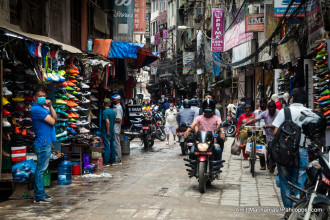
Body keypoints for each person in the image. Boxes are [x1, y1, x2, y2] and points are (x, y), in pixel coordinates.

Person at [272, 88, 310, 217]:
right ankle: (298, 214)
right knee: (299, 183)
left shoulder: (284, 111)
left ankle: (289, 213)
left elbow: (276, 133)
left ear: (292, 98)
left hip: (285, 153)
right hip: (303, 152)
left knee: (285, 182)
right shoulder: (310, 113)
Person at [31, 88, 57, 203]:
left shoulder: (42, 108)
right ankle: (39, 195)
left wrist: (50, 106)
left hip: (45, 143)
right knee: (40, 170)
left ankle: (41, 194)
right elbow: (52, 122)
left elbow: (55, 117)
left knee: (41, 169)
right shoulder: (36, 109)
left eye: (44, 95)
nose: (42, 97)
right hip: (42, 143)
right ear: (35, 98)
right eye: (40, 96)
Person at [244, 101, 279, 172]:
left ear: (275, 108)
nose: (271, 111)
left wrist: (267, 126)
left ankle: (272, 164)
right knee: (263, 148)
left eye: (273, 110)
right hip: (267, 134)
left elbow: (279, 124)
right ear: (267, 109)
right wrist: (246, 124)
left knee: (274, 151)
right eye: (270, 110)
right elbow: (255, 119)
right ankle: (264, 164)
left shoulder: (279, 113)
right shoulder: (265, 113)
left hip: (277, 135)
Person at [101, 98, 116, 166]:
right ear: (110, 104)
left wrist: (107, 131)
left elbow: (107, 121)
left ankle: (106, 161)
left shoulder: (104, 112)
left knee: (107, 146)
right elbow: (114, 121)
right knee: (113, 146)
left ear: (104, 104)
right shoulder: (113, 111)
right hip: (112, 131)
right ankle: (112, 161)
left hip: (107, 131)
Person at [112, 94, 123, 164]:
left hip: (116, 128)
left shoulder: (118, 108)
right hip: (115, 128)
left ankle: (118, 158)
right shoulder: (115, 107)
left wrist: (111, 120)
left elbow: (119, 119)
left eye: (114, 99)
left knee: (117, 144)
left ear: (118, 100)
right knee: (116, 143)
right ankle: (117, 158)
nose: (113, 100)